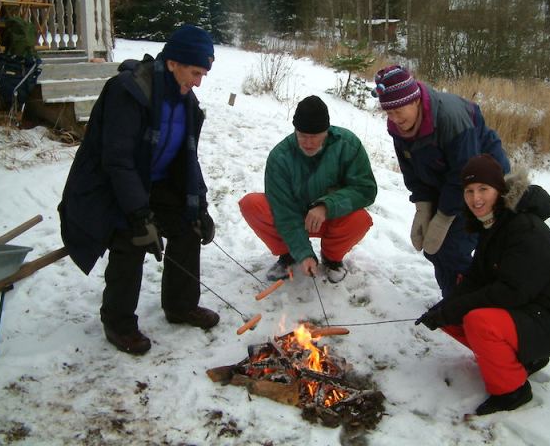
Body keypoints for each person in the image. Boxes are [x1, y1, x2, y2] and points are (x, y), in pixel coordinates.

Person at [58, 24, 219, 355]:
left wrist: (199, 206)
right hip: (107, 186)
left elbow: (186, 161)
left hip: (151, 183)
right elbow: (117, 161)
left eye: (203, 74)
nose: (198, 81)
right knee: (133, 234)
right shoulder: (129, 90)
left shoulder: (186, 103)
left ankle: (180, 305)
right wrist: (140, 214)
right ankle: (118, 322)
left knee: (188, 225)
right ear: (173, 62)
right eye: (195, 71)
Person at [415, 154, 550, 415]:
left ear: (499, 190)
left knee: (478, 321)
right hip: (527, 311)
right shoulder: (491, 225)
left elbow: (511, 292)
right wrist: (444, 308)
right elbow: (476, 278)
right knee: (451, 311)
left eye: (483, 189)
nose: (475, 198)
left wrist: (456, 307)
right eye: (469, 191)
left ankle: (512, 390)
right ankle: (524, 358)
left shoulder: (524, 227)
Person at [371, 65, 510, 298]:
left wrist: (444, 217)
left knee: (453, 248)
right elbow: (411, 169)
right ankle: (452, 299)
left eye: (398, 110)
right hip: (446, 183)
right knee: (433, 250)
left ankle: (474, 304)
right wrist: (423, 206)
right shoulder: (398, 128)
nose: (395, 118)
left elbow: (465, 173)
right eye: (389, 113)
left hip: (481, 184)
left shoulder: (450, 118)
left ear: (414, 100)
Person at [239, 95, 377, 284]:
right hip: (293, 218)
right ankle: (288, 255)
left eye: (314, 136)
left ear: (326, 131)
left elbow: (365, 189)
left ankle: (331, 259)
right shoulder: (280, 157)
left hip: (330, 219)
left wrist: (327, 206)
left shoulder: (347, 145)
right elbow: (284, 212)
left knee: (360, 219)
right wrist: (304, 253)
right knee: (252, 204)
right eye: (302, 135)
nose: (308, 142)